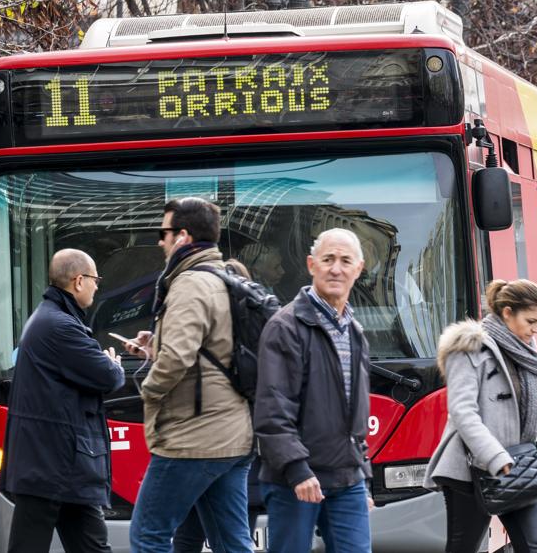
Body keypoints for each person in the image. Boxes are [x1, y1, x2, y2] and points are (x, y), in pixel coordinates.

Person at [126, 198, 254, 553]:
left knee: (148, 535)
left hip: (193, 437)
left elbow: (179, 357)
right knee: (231, 542)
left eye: (163, 233)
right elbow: (211, 349)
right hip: (232, 433)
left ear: (182, 237)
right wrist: (157, 344)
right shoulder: (223, 278)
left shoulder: (189, 283)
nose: (159, 241)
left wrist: (149, 391)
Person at [424, 279, 537, 553]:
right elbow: (462, 412)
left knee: (536, 547)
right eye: (530, 321)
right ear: (507, 312)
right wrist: (494, 456)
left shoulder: (525, 351)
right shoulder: (467, 347)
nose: (536, 329)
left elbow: (518, 410)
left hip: (519, 462)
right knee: (464, 547)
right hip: (470, 469)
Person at [254, 228, 372, 553]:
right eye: (328, 259)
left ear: (358, 269)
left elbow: (355, 410)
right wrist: (297, 471)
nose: (336, 269)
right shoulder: (284, 327)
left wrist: (363, 474)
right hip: (296, 480)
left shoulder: (355, 330)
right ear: (311, 265)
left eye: (345, 261)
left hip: (347, 478)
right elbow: (273, 410)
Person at [1, 249, 125, 553]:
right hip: (51, 464)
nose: (98, 285)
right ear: (78, 281)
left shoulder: (52, 319)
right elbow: (108, 377)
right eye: (96, 279)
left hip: (60, 464)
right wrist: (114, 364)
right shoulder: (60, 326)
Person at [171, 260, 263, 553]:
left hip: (216, 454)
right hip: (237, 457)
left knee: (211, 539)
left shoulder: (218, 341)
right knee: (229, 539)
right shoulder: (257, 337)